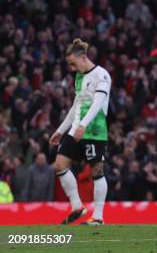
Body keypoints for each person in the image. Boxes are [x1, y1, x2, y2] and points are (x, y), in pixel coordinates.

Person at [49, 38, 111, 225]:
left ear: (83, 58)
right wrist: (61, 130)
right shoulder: (79, 77)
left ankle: (98, 217)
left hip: (94, 129)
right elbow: (77, 104)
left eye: (73, 63)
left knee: (96, 171)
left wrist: (83, 125)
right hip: (76, 128)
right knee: (60, 165)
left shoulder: (102, 75)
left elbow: (98, 103)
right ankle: (77, 207)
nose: (72, 68)